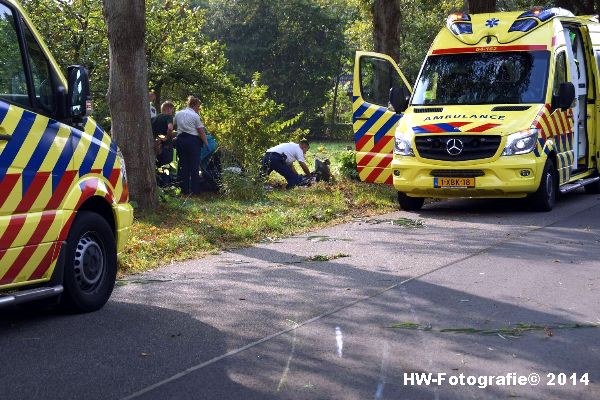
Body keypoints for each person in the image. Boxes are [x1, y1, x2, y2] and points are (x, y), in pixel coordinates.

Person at [174, 96, 209, 195]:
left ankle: (184, 190)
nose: (199, 108)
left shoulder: (178, 113)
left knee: (183, 165)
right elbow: (201, 132)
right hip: (193, 141)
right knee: (194, 166)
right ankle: (195, 190)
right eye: (198, 106)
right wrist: (206, 143)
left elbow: (175, 126)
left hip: (181, 141)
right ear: (194, 105)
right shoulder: (195, 116)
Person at [152, 101, 175, 186]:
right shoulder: (168, 117)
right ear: (168, 109)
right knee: (166, 167)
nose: (172, 112)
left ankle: (158, 187)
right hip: (166, 146)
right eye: (172, 110)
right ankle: (166, 188)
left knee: (158, 167)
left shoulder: (153, 119)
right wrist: (167, 137)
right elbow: (170, 127)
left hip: (156, 146)